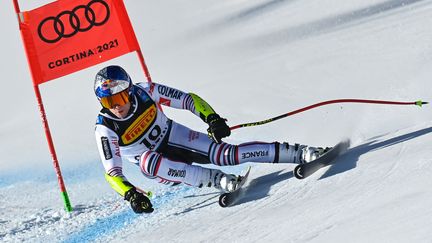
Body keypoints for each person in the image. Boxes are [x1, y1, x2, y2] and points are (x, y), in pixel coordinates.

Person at [94, 65, 327, 214]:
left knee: (228, 155)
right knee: (147, 161)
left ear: (130, 90)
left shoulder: (146, 91)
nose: (116, 106)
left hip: (175, 136)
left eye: (120, 97)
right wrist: (131, 194)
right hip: (161, 168)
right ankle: (218, 180)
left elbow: (187, 99)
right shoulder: (105, 127)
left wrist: (212, 118)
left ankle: (301, 153)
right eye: (108, 102)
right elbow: (112, 173)